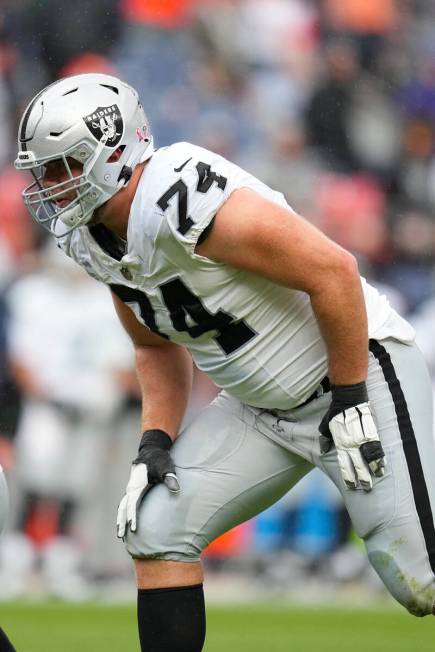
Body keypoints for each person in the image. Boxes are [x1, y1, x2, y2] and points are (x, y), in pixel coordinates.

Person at [14, 73, 435, 651]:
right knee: (156, 528)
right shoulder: (88, 236)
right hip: (260, 407)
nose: (51, 187)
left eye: (63, 167)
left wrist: (350, 395)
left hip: (358, 374)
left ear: (114, 152)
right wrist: (155, 440)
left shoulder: (180, 195)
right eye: (44, 171)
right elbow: (153, 344)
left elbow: (333, 271)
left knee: (422, 583)